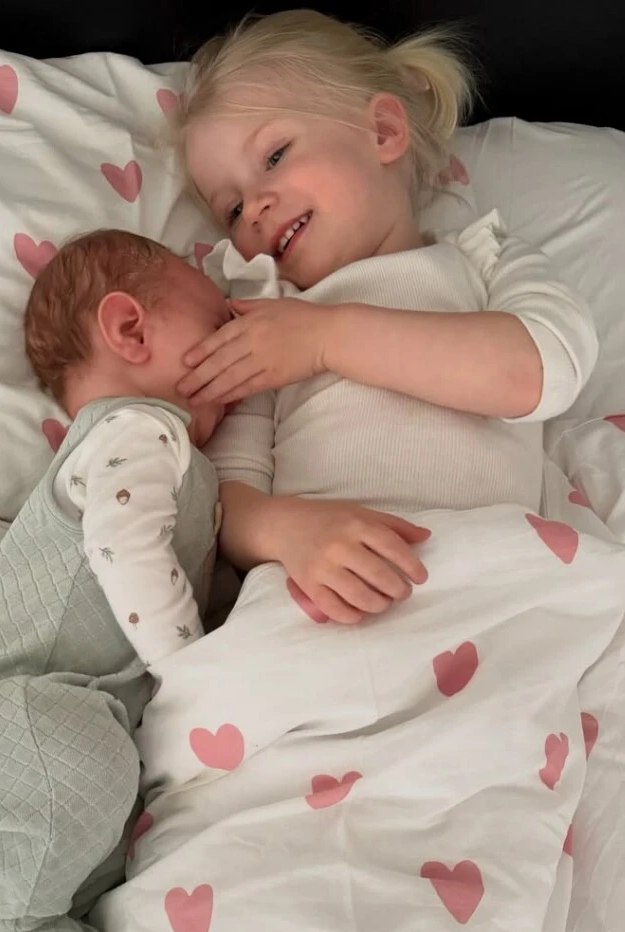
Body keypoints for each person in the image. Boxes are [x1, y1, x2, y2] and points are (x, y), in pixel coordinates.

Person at [169, 10, 599, 626]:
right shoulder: (262, 317)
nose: (255, 207)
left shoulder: (484, 260)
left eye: (275, 155)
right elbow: (225, 493)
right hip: (324, 602)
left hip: (493, 587)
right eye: (231, 209)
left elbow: (539, 372)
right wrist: (285, 531)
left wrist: (325, 339)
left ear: (383, 131)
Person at [0, 229, 228, 932]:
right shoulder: (138, 430)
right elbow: (126, 548)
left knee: (100, 837)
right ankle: (13, 928)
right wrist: (192, 668)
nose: (234, 345)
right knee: (93, 779)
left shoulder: (144, 444)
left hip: (13, 727)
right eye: (219, 324)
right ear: (131, 330)